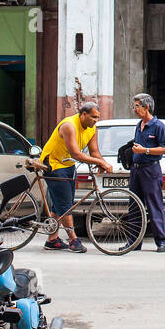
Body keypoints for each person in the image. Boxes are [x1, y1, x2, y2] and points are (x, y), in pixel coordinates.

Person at [39, 100, 112, 252]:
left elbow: (94, 152)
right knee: (65, 205)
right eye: (93, 117)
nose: (95, 121)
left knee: (63, 202)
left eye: (97, 117)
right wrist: (100, 162)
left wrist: (104, 163)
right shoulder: (69, 125)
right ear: (83, 114)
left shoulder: (92, 129)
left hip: (68, 164)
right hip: (53, 163)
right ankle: (73, 240)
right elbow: (76, 154)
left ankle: (52, 240)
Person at [125, 93, 165, 252]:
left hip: (150, 169)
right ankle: (134, 241)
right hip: (136, 170)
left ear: (147, 107)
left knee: (154, 205)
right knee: (134, 206)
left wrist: (146, 150)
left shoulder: (158, 126)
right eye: (134, 106)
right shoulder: (139, 125)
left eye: (137, 106)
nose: (135, 109)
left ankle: (162, 241)